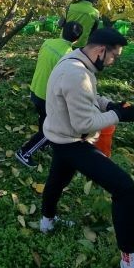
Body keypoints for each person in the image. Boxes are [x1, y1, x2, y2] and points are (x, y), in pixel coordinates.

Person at [39, 28, 134, 268]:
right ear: (101, 50)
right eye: (114, 56)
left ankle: (47, 221)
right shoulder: (76, 74)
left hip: (60, 136)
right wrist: (118, 115)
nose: (113, 62)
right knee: (124, 188)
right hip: (72, 143)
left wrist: (107, 104)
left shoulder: (75, 60)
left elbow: (87, 97)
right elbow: (85, 123)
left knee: (57, 180)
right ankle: (129, 262)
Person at [15, 21, 84, 167]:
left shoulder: (47, 42)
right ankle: (25, 152)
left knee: (44, 118)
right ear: (77, 40)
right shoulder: (69, 56)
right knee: (52, 129)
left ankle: (43, 143)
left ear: (61, 30)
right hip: (49, 97)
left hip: (35, 89)